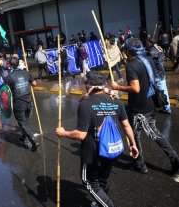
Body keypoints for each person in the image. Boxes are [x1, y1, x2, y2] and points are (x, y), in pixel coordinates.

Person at [56, 71, 139, 207]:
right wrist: (133, 144)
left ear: (88, 85)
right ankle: (102, 203)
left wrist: (63, 133)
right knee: (103, 179)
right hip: (111, 148)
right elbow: (126, 125)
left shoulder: (86, 103)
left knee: (89, 182)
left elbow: (81, 134)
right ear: (104, 85)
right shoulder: (115, 99)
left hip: (93, 153)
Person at [111, 38, 179, 174]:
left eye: (125, 49)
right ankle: (170, 158)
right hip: (149, 103)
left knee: (138, 135)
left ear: (128, 51)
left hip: (139, 109)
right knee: (149, 132)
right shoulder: (147, 59)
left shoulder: (132, 65)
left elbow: (135, 88)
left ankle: (142, 163)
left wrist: (118, 87)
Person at [4, 57, 39, 151]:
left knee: (22, 123)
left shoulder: (8, 77)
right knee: (25, 122)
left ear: (9, 66)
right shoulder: (26, 73)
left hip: (18, 103)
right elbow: (35, 84)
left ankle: (32, 139)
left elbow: (5, 93)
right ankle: (23, 137)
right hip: (28, 101)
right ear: (18, 64)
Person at [146, 39, 171, 114]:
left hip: (156, 75)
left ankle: (164, 108)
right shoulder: (159, 49)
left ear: (150, 44)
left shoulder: (152, 51)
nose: (146, 45)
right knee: (163, 91)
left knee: (156, 91)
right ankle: (165, 107)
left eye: (147, 43)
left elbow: (148, 60)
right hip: (160, 73)